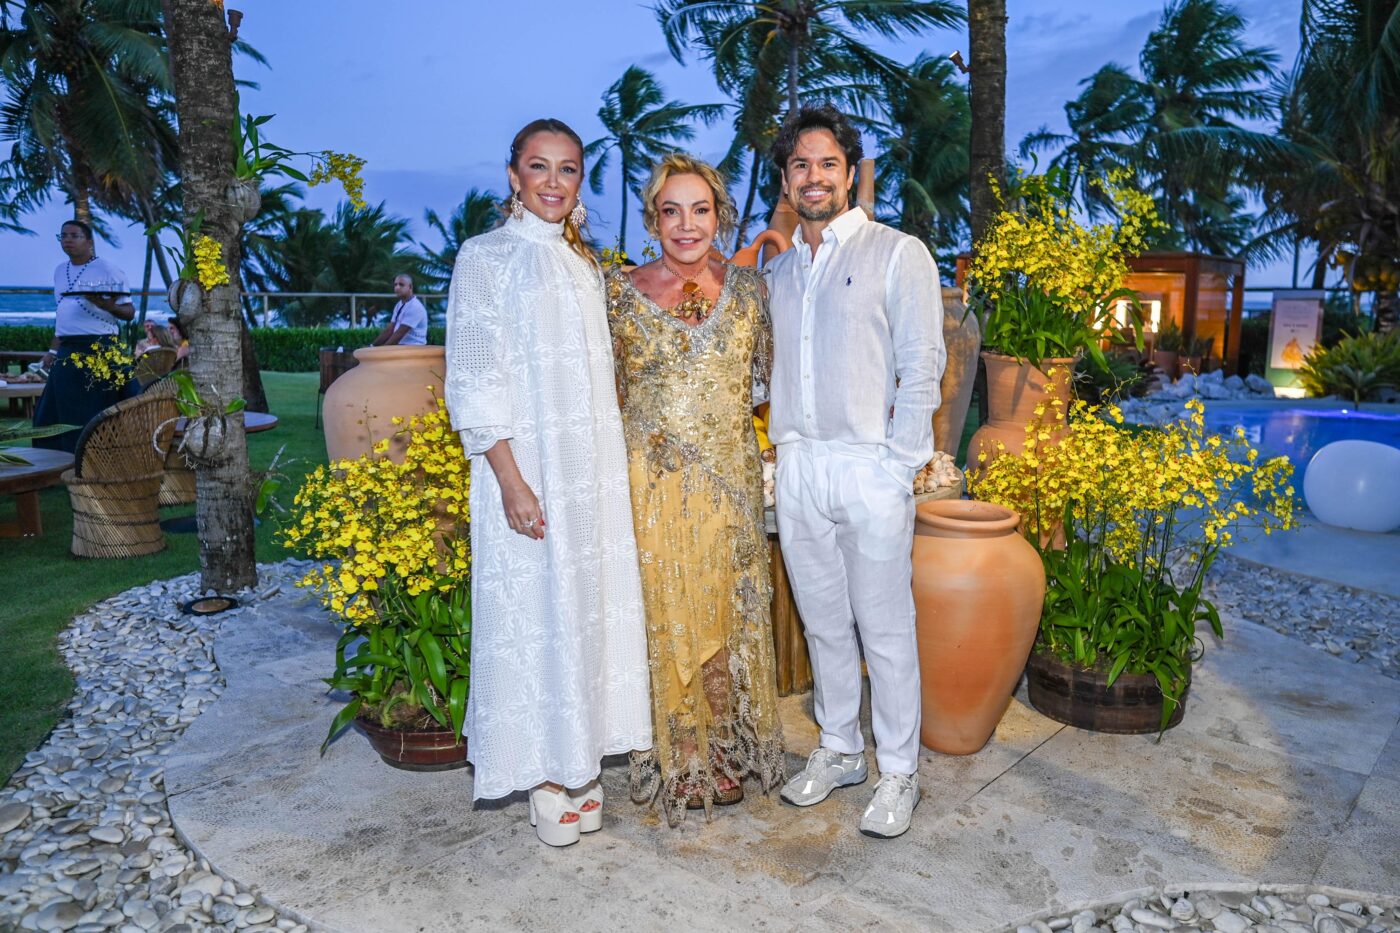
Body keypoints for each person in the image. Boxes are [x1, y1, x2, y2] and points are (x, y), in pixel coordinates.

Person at [442, 118, 652, 848]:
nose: (554, 182)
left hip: (588, 471)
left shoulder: (582, 265)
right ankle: (541, 774)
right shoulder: (484, 257)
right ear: (513, 176)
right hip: (525, 468)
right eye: (540, 167)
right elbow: (472, 378)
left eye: (568, 169)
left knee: (585, 611)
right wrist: (509, 479)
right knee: (532, 611)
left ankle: (579, 758)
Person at [766, 105, 946, 839]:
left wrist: (896, 467)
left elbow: (922, 365)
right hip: (799, 466)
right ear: (786, 179)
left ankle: (899, 768)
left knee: (886, 629)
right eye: (801, 165)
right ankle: (839, 747)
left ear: (851, 172)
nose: (815, 177)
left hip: (870, 466)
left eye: (828, 163)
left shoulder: (897, 253)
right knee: (823, 627)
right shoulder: (775, 271)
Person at [605, 154, 785, 824]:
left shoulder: (750, 292)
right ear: (654, 218)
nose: (686, 224)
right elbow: (606, 394)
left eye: (700, 209)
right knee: (668, 613)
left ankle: (721, 747)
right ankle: (682, 754)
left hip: (729, 485)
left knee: (721, 615)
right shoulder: (617, 291)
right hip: (650, 487)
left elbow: (766, 390)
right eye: (671, 210)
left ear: (720, 215)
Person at [33, 220, 138, 452]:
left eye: (74, 235)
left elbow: (129, 312)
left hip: (100, 347)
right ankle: (60, 459)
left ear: (89, 241)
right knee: (55, 408)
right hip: (68, 349)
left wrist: (105, 304)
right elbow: (62, 314)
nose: (67, 240)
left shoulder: (109, 270)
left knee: (95, 406)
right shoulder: (60, 271)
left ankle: (98, 455)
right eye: (63, 236)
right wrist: (52, 350)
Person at [372, 274, 428, 345]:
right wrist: (372, 346)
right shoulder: (399, 304)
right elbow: (389, 330)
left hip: (414, 348)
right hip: (402, 347)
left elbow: (399, 333)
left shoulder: (415, 307)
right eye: (395, 285)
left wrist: (383, 350)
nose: (397, 287)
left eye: (401, 285)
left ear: (410, 287)